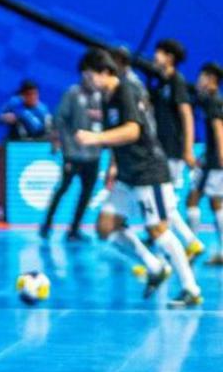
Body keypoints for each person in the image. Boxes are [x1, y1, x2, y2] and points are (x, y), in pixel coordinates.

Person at [76, 48, 202, 307]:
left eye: (88, 76)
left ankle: (191, 288)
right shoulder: (106, 97)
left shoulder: (126, 91)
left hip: (148, 172)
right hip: (127, 174)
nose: (86, 82)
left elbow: (133, 131)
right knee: (105, 226)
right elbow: (117, 133)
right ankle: (154, 267)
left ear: (104, 72)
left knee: (158, 230)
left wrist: (95, 138)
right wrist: (112, 164)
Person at [149, 38, 205, 259]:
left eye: (159, 52)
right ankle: (188, 243)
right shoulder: (159, 82)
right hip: (160, 149)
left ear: (170, 58)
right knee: (164, 201)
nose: (155, 56)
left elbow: (187, 116)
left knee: (163, 202)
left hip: (172, 151)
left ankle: (184, 244)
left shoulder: (177, 82)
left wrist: (188, 150)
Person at [42, 57, 104, 240]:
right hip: (73, 153)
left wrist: (101, 115)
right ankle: (47, 224)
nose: (92, 77)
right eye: (89, 72)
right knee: (63, 188)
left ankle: (74, 229)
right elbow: (59, 119)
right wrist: (60, 142)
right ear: (83, 73)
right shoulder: (72, 94)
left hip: (93, 154)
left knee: (87, 192)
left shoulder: (101, 96)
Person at [188, 62, 223, 265]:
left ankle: (192, 248)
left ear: (211, 80)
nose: (198, 80)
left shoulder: (213, 101)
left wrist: (220, 157)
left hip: (215, 162)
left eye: (202, 76)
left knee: (197, 201)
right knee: (211, 202)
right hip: (210, 159)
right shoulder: (211, 100)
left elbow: (219, 129)